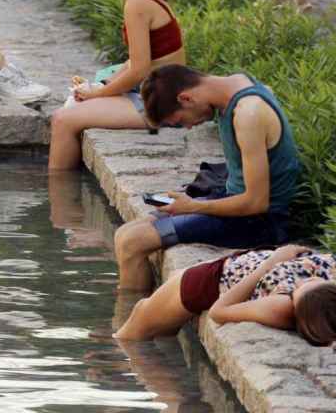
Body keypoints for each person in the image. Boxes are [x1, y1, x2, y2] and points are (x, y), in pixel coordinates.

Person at [115, 65, 301, 291]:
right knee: (123, 233)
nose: (189, 126)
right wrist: (189, 205)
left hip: (261, 222)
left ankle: (128, 318)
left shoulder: (248, 113)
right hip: (233, 203)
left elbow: (257, 202)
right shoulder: (237, 82)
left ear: (185, 98)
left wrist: (192, 206)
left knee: (132, 243)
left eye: (180, 121)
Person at [48, 0, 186, 170]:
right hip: (155, 92)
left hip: (160, 104)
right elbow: (137, 61)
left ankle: (61, 202)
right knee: (79, 100)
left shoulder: (137, 3)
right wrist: (103, 85)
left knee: (63, 120)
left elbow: (140, 69)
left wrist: (98, 94)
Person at [114, 245, 336, 346]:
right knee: (160, 327)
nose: (310, 276)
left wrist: (274, 262)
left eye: (301, 287)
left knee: (136, 326)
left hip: (215, 281)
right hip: (248, 261)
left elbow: (220, 312)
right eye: (318, 280)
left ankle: (115, 354)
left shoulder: (279, 307)